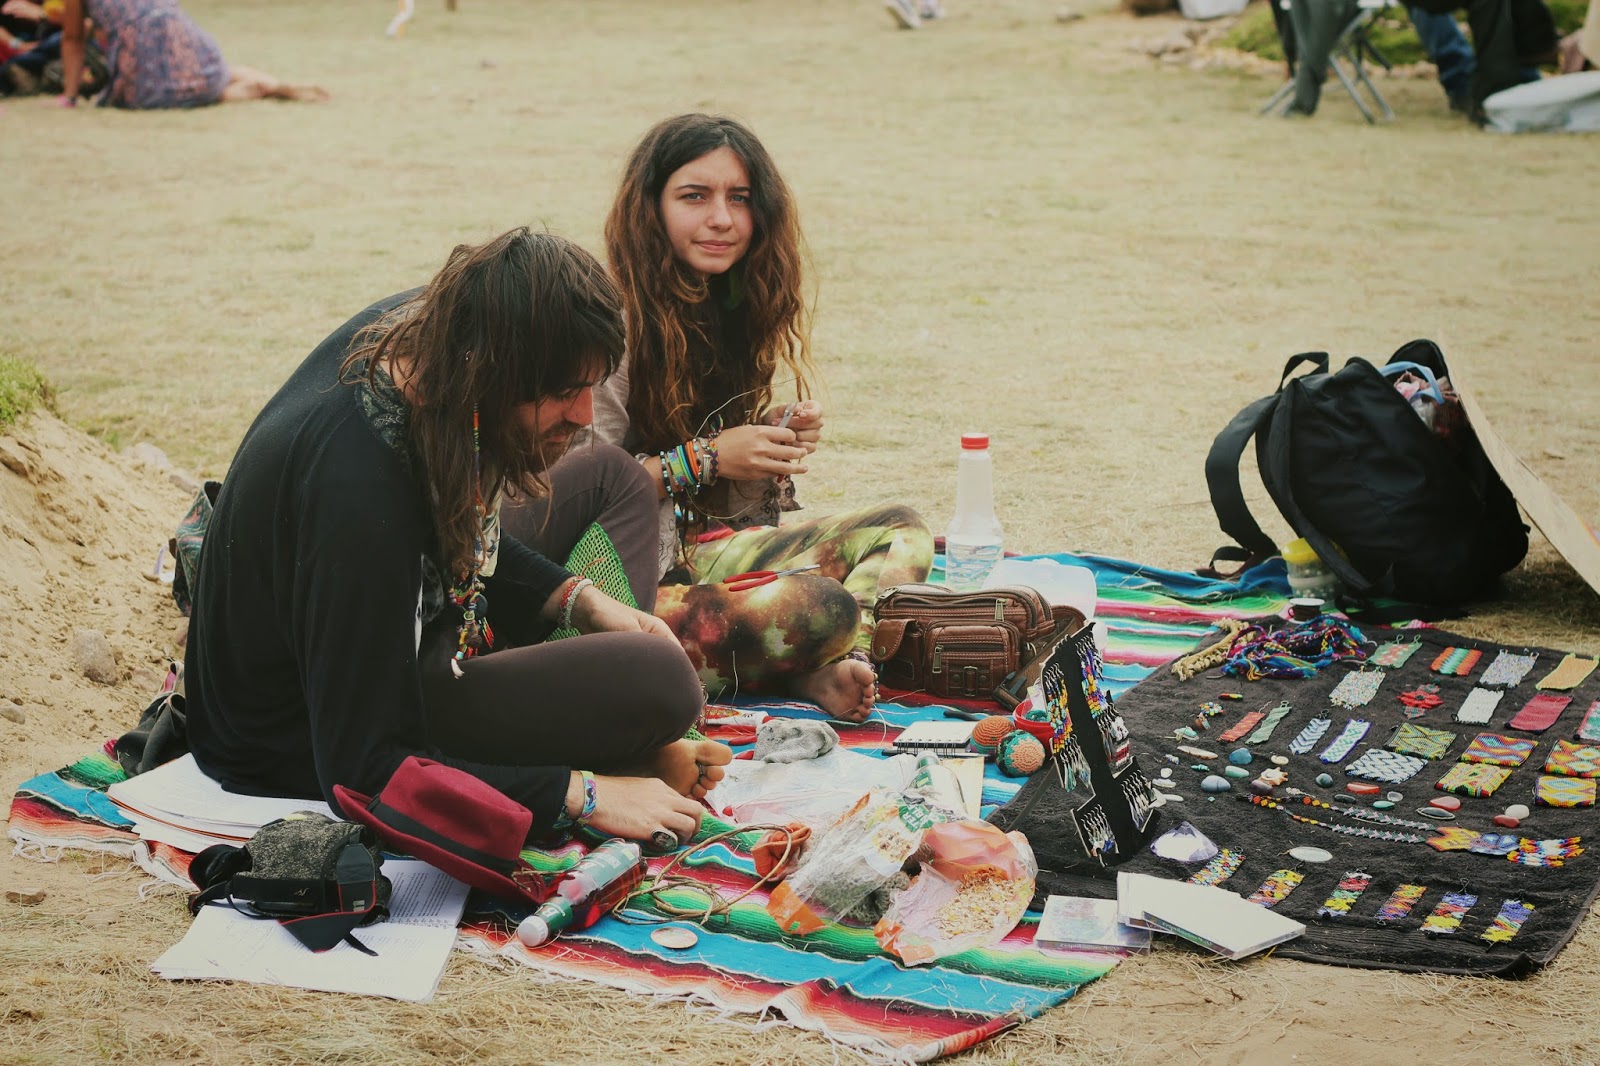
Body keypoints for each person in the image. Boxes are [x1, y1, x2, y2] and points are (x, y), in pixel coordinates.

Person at [186, 228, 731, 848]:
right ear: (493, 378)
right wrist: (580, 793)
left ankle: (574, 698)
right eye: (560, 393)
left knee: (616, 478)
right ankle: (608, 738)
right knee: (657, 679)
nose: (584, 415)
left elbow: (460, 533)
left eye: (590, 386)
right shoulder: (363, 499)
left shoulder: (436, 336)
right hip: (295, 734)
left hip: (431, 617)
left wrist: (580, 600)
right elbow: (362, 768)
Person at [505, 115, 934, 725]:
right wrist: (704, 458)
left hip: (687, 557)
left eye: (740, 198)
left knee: (898, 530)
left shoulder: (726, 308)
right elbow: (572, 493)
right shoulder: (604, 320)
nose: (722, 219)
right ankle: (811, 646)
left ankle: (841, 660)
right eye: (694, 196)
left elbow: (720, 514)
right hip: (602, 590)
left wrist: (765, 443)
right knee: (819, 606)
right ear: (648, 208)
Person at [56, 0, 326, 110]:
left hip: (141, 66)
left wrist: (70, 96)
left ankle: (247, 91)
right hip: (185, 39)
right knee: (218, 73)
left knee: (170, 93)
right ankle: (272, 82)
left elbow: (73, 39)